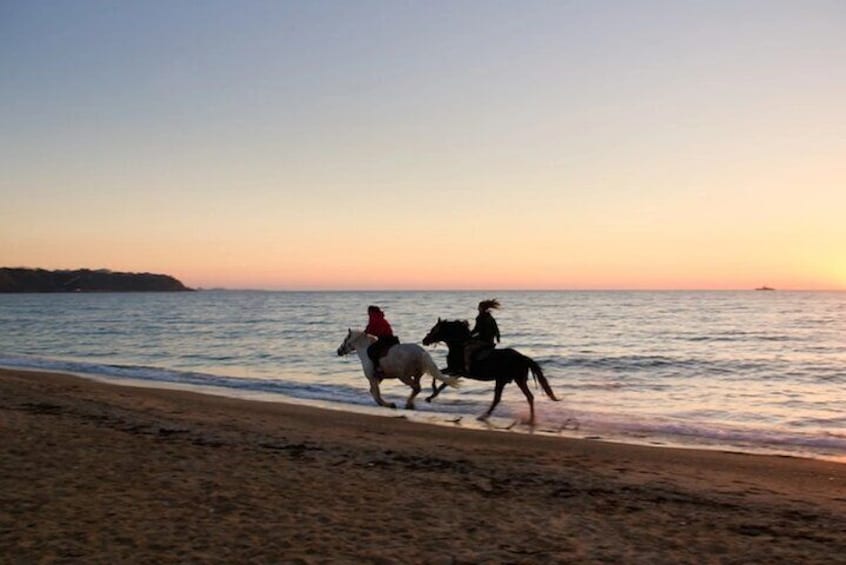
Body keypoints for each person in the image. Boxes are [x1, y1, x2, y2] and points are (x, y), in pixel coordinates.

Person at [464, 299, 501, 373]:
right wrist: (497, 337)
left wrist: (469, 335)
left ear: (482, 308)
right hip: (490, 340)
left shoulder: (480, 317)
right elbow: (496, 328)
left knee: (467, 349)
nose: (478, 308)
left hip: (483, 340)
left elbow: (477, 330)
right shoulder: (490, 317)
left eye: (479, 307)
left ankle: (467, 367)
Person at [365, 305, 399, 380]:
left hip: (385, 339)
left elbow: (371, 328)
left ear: (371, 312)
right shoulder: (380, 317)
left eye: (369, 312)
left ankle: (378, 369)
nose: (368, 313)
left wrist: (366, 332)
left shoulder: (374, 317)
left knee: (371, 350)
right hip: (392, 339)